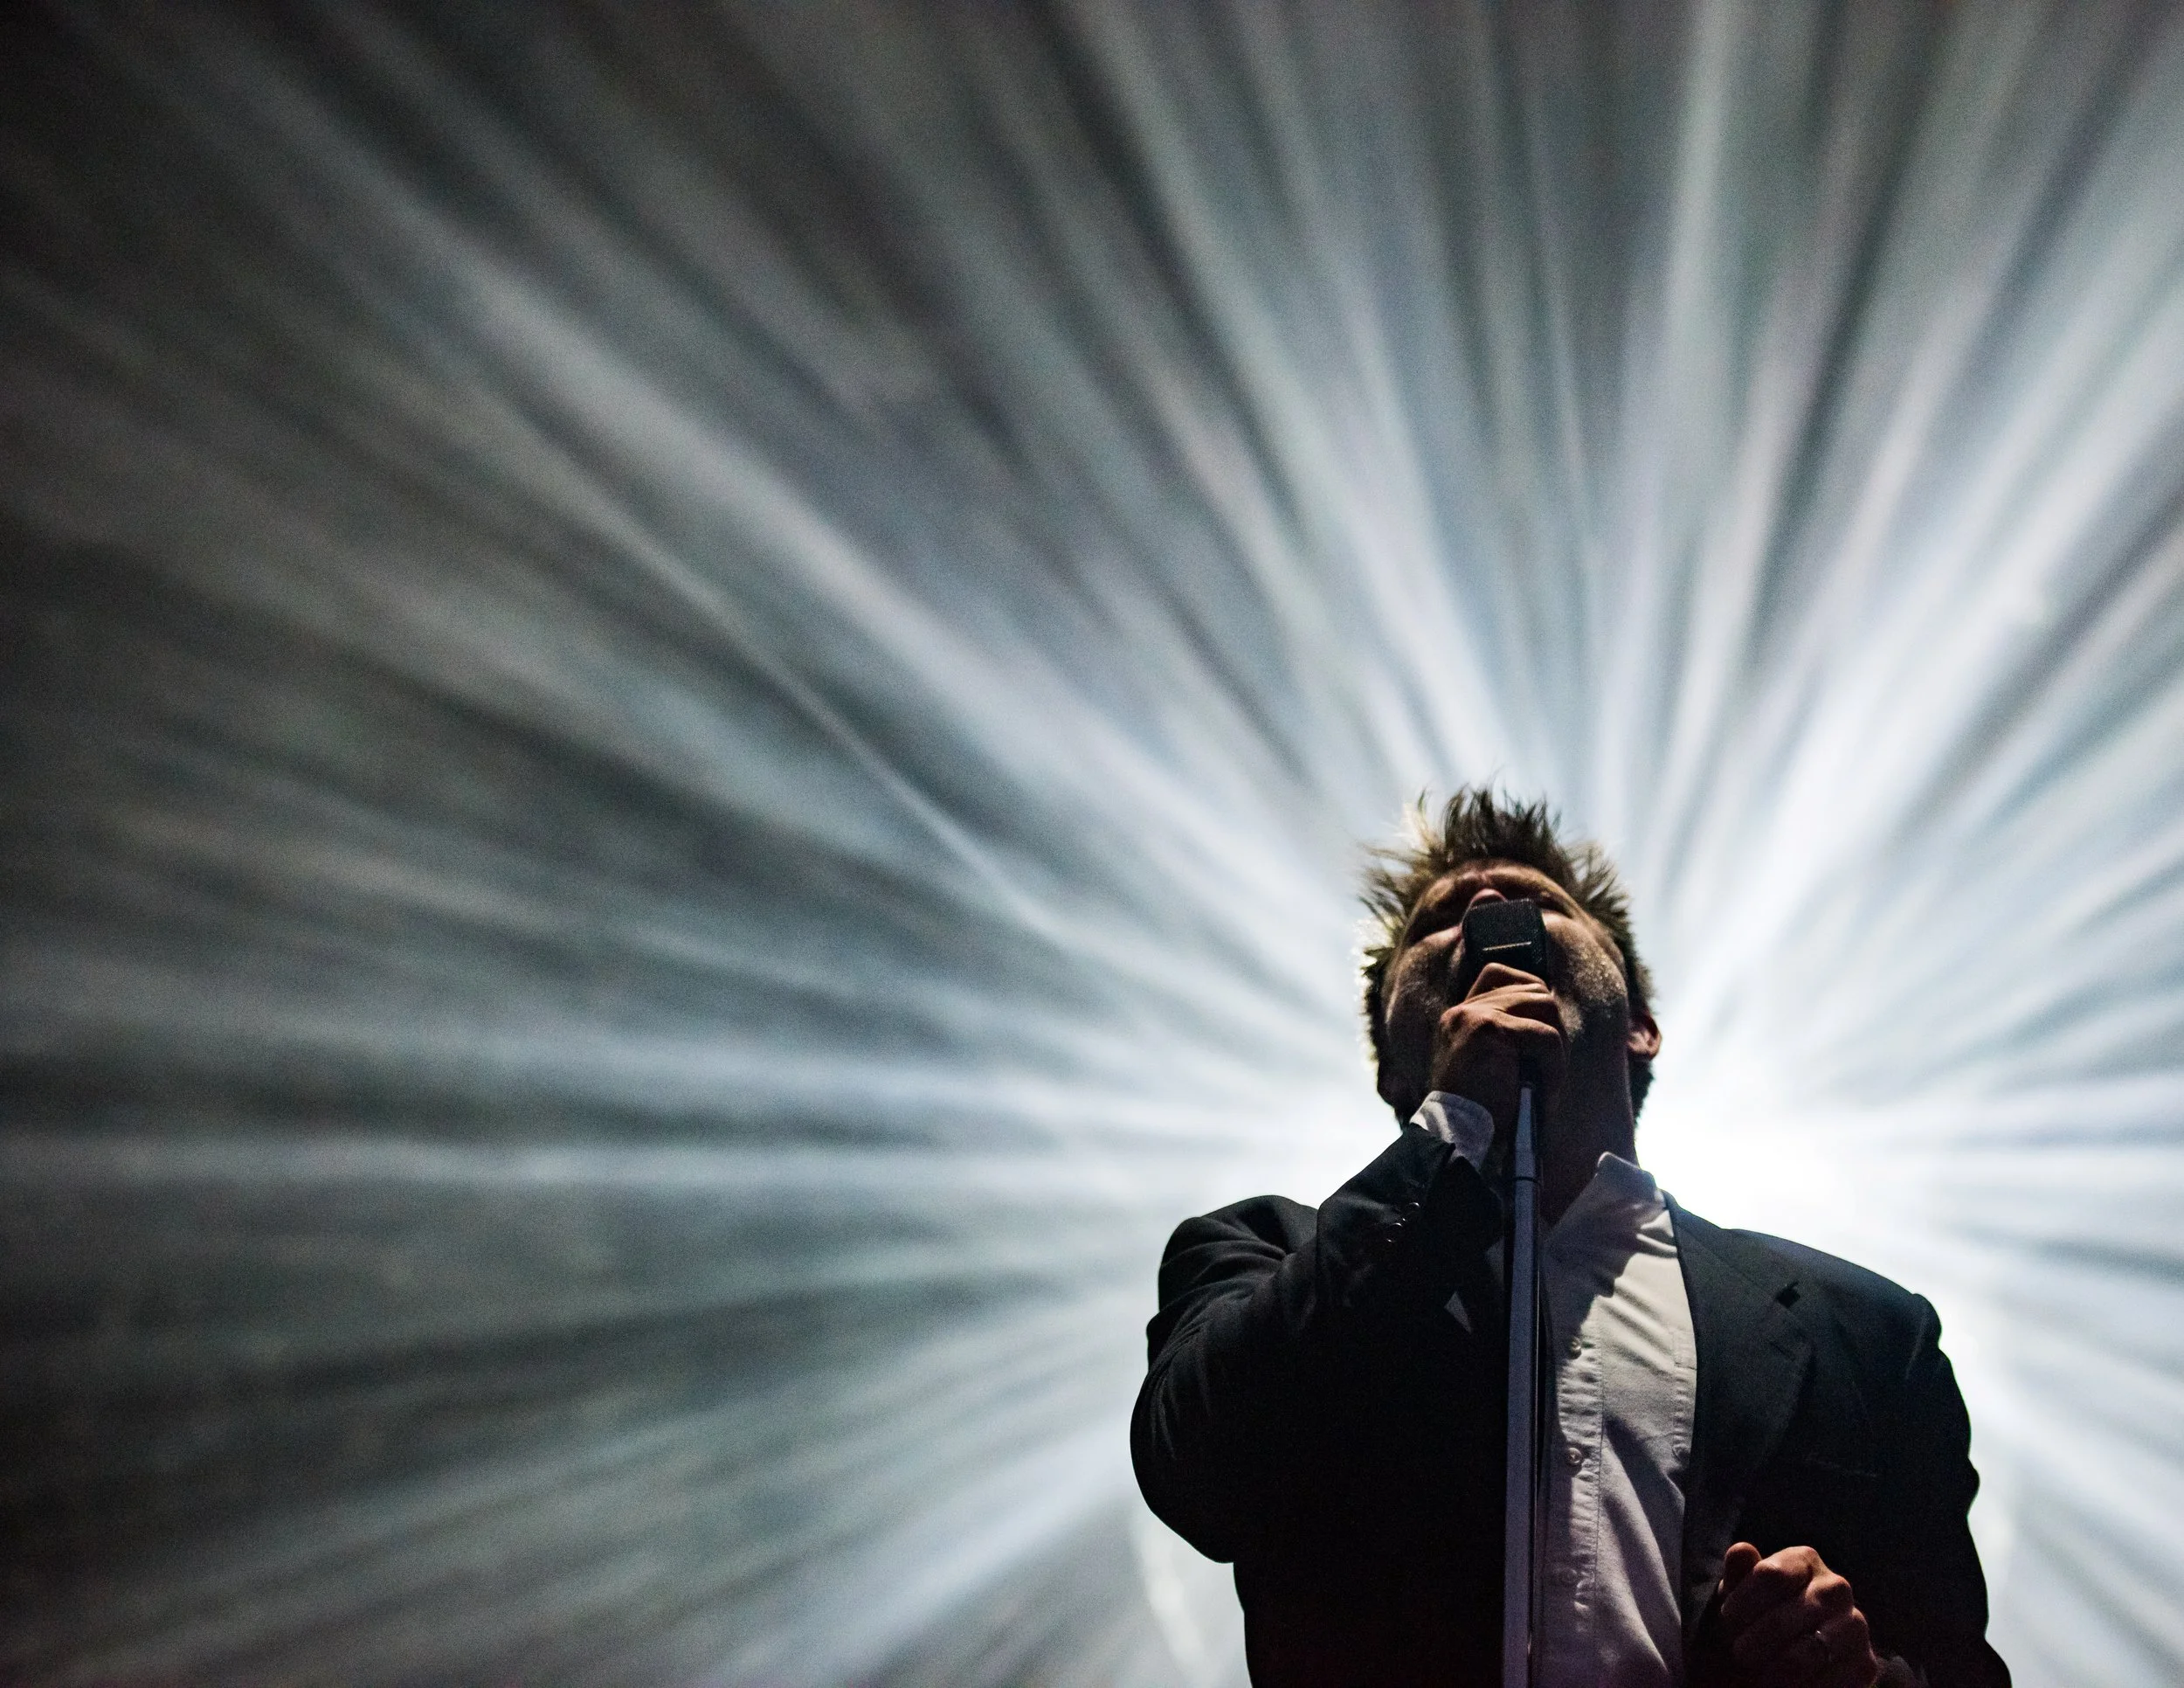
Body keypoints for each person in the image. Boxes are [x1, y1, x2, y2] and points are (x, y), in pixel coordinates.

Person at [1131, 791, 2008, 1688]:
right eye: (1433, 926)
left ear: (1639, 1025)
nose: (1483, 914)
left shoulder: (1863, 1330)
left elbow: (1955, 1663)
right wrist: (1450, 1134)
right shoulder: (1263, 1253)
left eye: (1542, 904)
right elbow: (1204, 1476)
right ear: (1396, 1067)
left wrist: (1859, 1673)